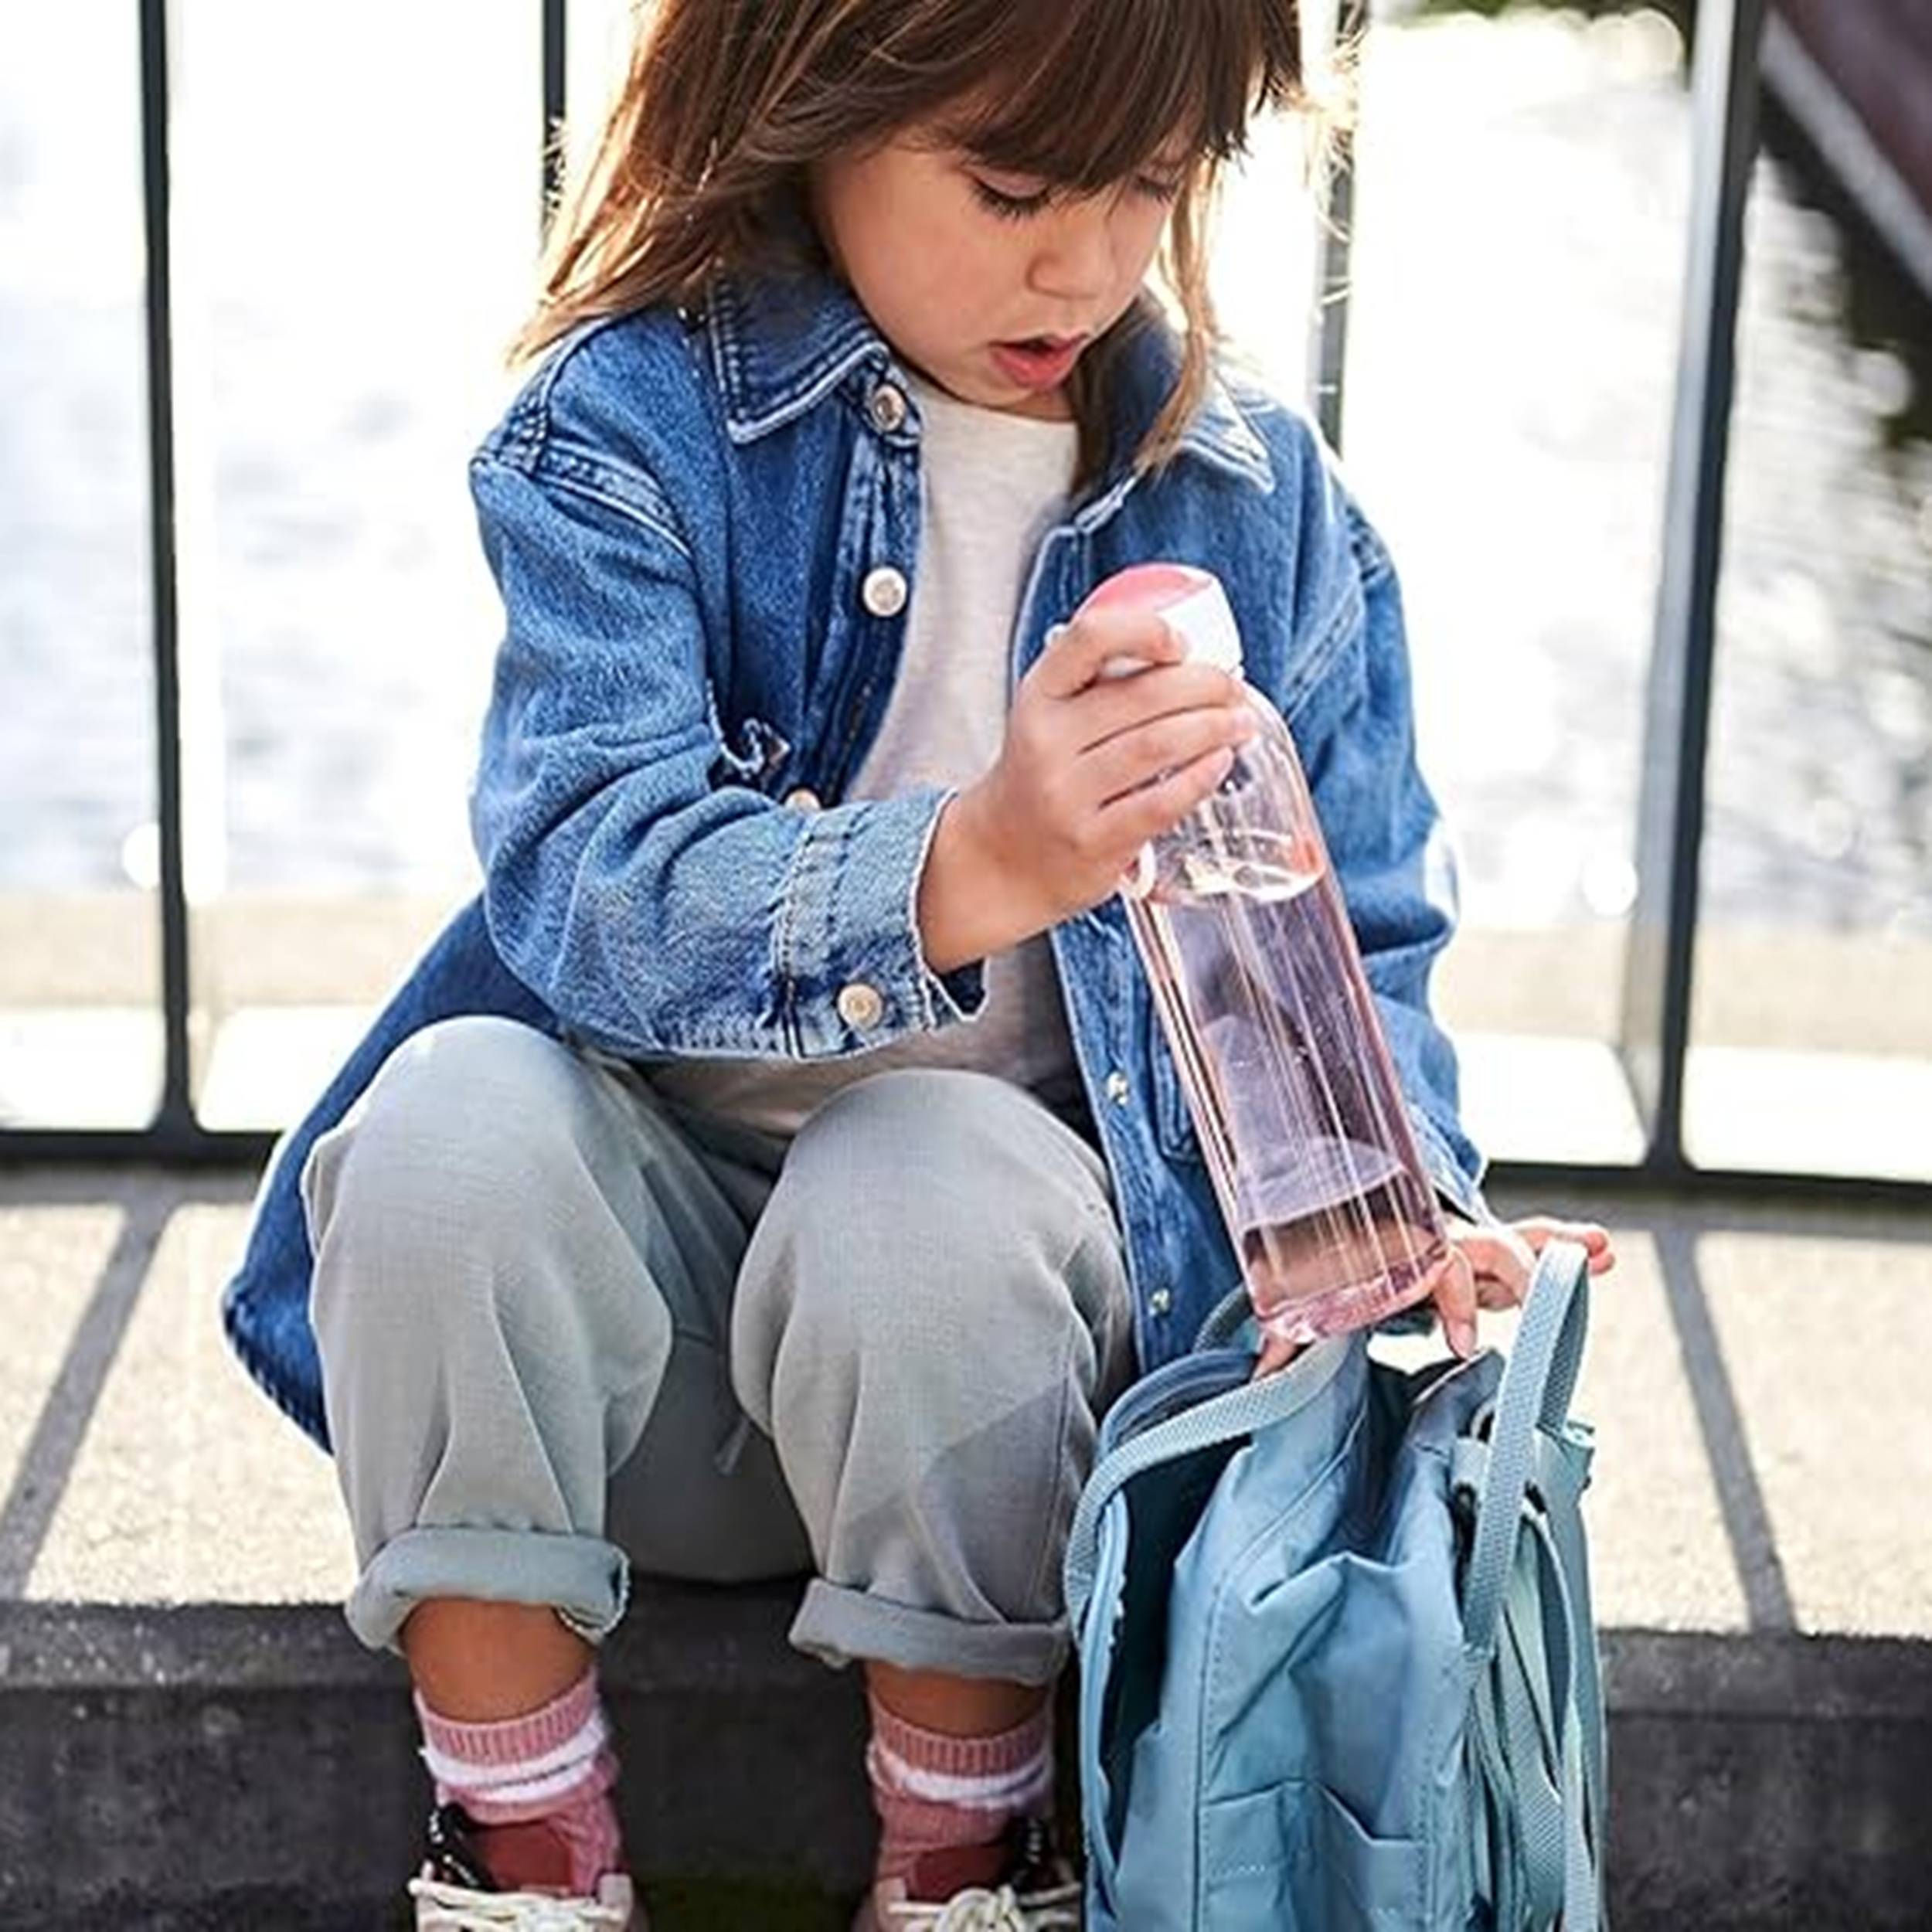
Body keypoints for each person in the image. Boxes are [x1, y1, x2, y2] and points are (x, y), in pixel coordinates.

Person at [221, 0, 1618, 1925]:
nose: (1087, 261)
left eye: (1150, 182)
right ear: (809, 107)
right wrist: (966, 863)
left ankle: (965, 1858)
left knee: (922, 1173)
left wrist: (1397, 1222)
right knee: (445, 1120)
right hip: (638, 1387)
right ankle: (520, 1848)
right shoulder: (634, 428)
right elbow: (587, 882)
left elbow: (1353, 939)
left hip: (1000, 1394)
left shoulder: (1260, 510)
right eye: (1012, 185)